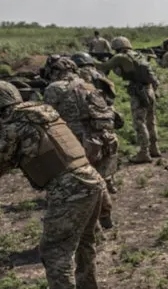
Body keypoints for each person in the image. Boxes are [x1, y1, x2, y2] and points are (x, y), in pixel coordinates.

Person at [0, 81, 105, 289]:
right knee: (83, 241)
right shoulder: (40, 114)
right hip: (90, 179)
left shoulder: (14, 126)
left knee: (54, 249)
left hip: (69, 188)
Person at [42, 57, 117, 229]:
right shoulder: (88, 85)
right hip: (101, 138)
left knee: (81, 184)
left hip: (77, 142)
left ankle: (92, 225)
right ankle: (105, 214)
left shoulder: (54, 88)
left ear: (55, 72)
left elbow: (47, 116)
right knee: (97, 179)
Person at [98, 36, 160, 163]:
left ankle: (144, 153)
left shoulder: (120, 57)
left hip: (138, 92)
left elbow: (103, 67)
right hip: (149, 89)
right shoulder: (138, 55)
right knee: (151, 120)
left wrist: (89, 60)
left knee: (139, 123)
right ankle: (154, 148)